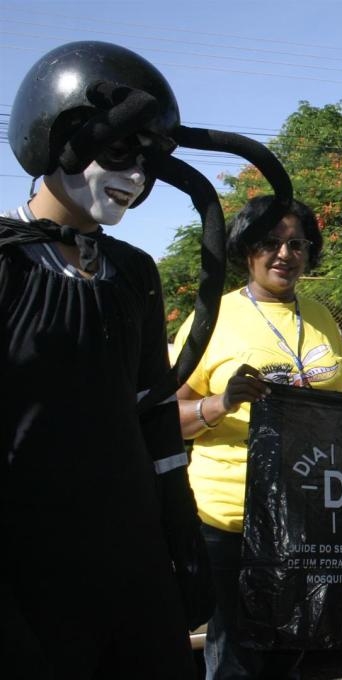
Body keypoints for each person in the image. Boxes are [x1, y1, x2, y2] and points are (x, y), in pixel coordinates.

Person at [0, 41, 210, 679]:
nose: (136, 178)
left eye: (149, 162)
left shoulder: (133, 271)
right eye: (121, 152)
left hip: (131, 554)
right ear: (51, 138)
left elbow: (154, 410)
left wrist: (181, 532)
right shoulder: (5, 263)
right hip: (27, 561)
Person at [172, 195, 342, 679]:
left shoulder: (322, 318)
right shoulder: (212, 318)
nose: (285, 254)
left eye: (297, 243)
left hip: (307, 516)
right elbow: (163, 418)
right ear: (247, 249)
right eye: (270, 242)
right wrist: (220, 404)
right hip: (229, 520)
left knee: (293, 650)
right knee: (235, 659)